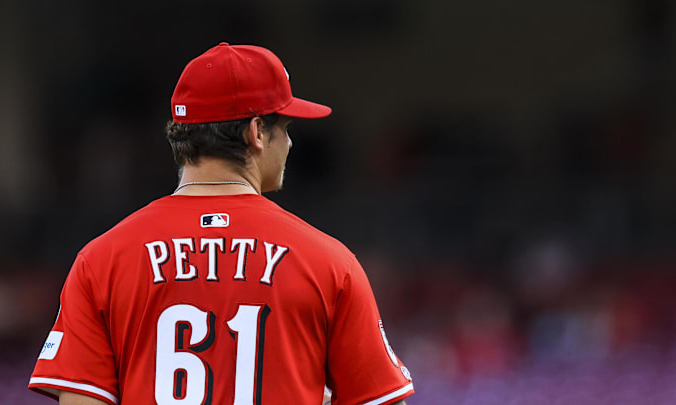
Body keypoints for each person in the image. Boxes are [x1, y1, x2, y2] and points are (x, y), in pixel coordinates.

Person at [28, 42, 414, 405]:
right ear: (256, 132)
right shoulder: (329, 263)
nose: (290, 144)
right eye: (285, 128)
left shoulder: (101, 260)